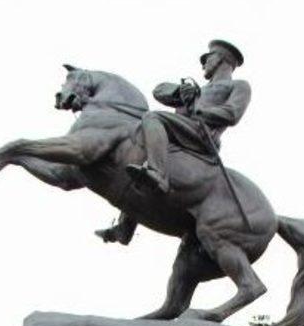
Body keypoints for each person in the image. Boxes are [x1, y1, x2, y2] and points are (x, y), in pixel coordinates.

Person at [96, 39, 250, 241]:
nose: (204, 63)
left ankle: (158, 175)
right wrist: (179, 92)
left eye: (208, 58)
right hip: (180, 131)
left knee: (153, 117)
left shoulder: (238, 86)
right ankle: (125, 227)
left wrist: (200, 110)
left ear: (221, 59)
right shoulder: (196, 89)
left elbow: (232, 113)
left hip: (201, 136)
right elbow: (158, 91)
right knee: (142, 147)